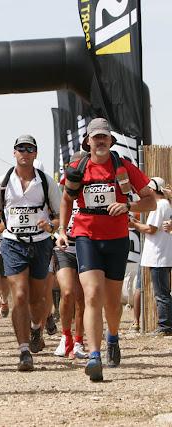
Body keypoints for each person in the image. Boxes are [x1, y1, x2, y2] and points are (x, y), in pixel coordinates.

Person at [57, 118, 155, 382]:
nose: (100, 141)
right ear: (87, 141)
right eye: (95, 137)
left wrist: (128, 207)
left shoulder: (123, 167)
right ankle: (94, 356)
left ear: (110, 140)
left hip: (116, 238)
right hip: (86, 236)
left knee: (112, 302)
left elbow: (151, 202)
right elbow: (66, 199)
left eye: (104, 137)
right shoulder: (77, 168)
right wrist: (61, 230)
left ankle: (113, 337)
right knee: (92, 295)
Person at [0, 135, 62, 372]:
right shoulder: (3, 182)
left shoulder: (47, 182)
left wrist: (51, 226)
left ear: (35, 154)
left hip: (40, 243)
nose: (25, 153)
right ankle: (24, 350)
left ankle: (37, 326)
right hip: (13, 242)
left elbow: (59, 216)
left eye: (30, 149)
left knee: (37, 299)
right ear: (14, 152)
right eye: (21, 149)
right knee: (19, 296)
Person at [53, 152, 86, 359]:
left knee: (82, 298)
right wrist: (54, 227)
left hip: (85, 245)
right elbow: (53, 217)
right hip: (64, 246)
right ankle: (66, 337)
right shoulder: (59, 190)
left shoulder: (91, 187)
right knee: (67, 293)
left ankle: (79, 341)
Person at [131, 177, 172, 335]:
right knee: (164, 292)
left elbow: (151, 229)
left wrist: (134, 224)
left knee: (161, 293)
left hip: (158, 255)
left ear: (153, 190)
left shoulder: (159, 205)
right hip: (162, 254)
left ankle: (164, 326)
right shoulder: (166, 204)